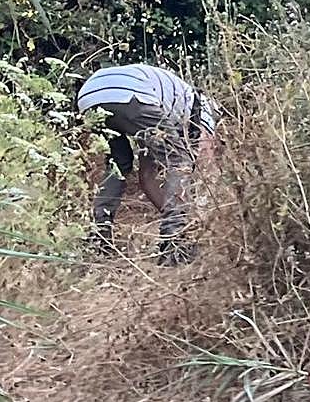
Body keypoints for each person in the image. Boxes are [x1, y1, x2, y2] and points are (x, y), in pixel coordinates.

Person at [76, 63, 219, 266]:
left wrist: (177, 215)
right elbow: (207, 165)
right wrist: (198, 218)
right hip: (132, 95)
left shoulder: (165, 109)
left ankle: (99, 239)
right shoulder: (203, 108)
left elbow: (147, 177)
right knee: (178, 159)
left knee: (119, 164)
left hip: (89, 96)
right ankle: (175, 245)